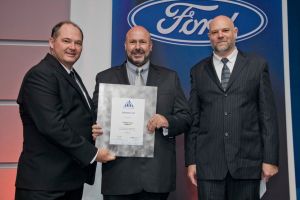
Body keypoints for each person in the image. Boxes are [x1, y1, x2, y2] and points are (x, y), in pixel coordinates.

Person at [15, 20, 115, 200]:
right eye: (66, 41)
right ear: (52, 42)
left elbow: (74, 117)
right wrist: (93, 153)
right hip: (44, 185)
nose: (73, 47)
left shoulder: (69, 74)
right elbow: (52, 125)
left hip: (68, 180)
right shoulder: (40, 75)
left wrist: (92, 128)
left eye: (78, 43)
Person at [185, 15, 279, 200]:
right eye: (215, 32)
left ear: (235, 32)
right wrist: (191, 161)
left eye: (225, 30)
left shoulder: (257, 66)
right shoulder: (197, 71)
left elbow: (267, 116)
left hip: (247, 164)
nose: (220, 35)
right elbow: (193, 119)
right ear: (209, 37)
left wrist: (270, 159)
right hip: (209, 166)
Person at [92, 26, 191, 200]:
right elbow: (94, 116)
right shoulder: (105, 78)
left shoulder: (170, 78)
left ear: (150, 46)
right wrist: (95, 129)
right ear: (125, 46)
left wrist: (167, 121)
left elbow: (185, 117)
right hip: (118, 177)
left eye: (142, 42)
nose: (138, 47)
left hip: (156, 177)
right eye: (133, 42)